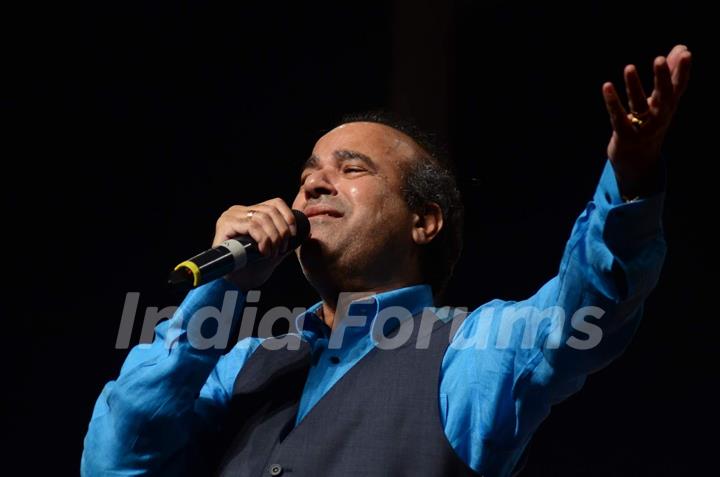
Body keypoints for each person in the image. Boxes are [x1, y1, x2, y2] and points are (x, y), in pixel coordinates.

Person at [81, 45, 692, 476]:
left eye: (351, 170)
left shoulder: (471, 350)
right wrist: (222, 291)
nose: (313, 187)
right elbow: (117, 459)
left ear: (424, 221)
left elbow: (583, 316)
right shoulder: (238, 360)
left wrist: (631, 179)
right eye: (307, 176)